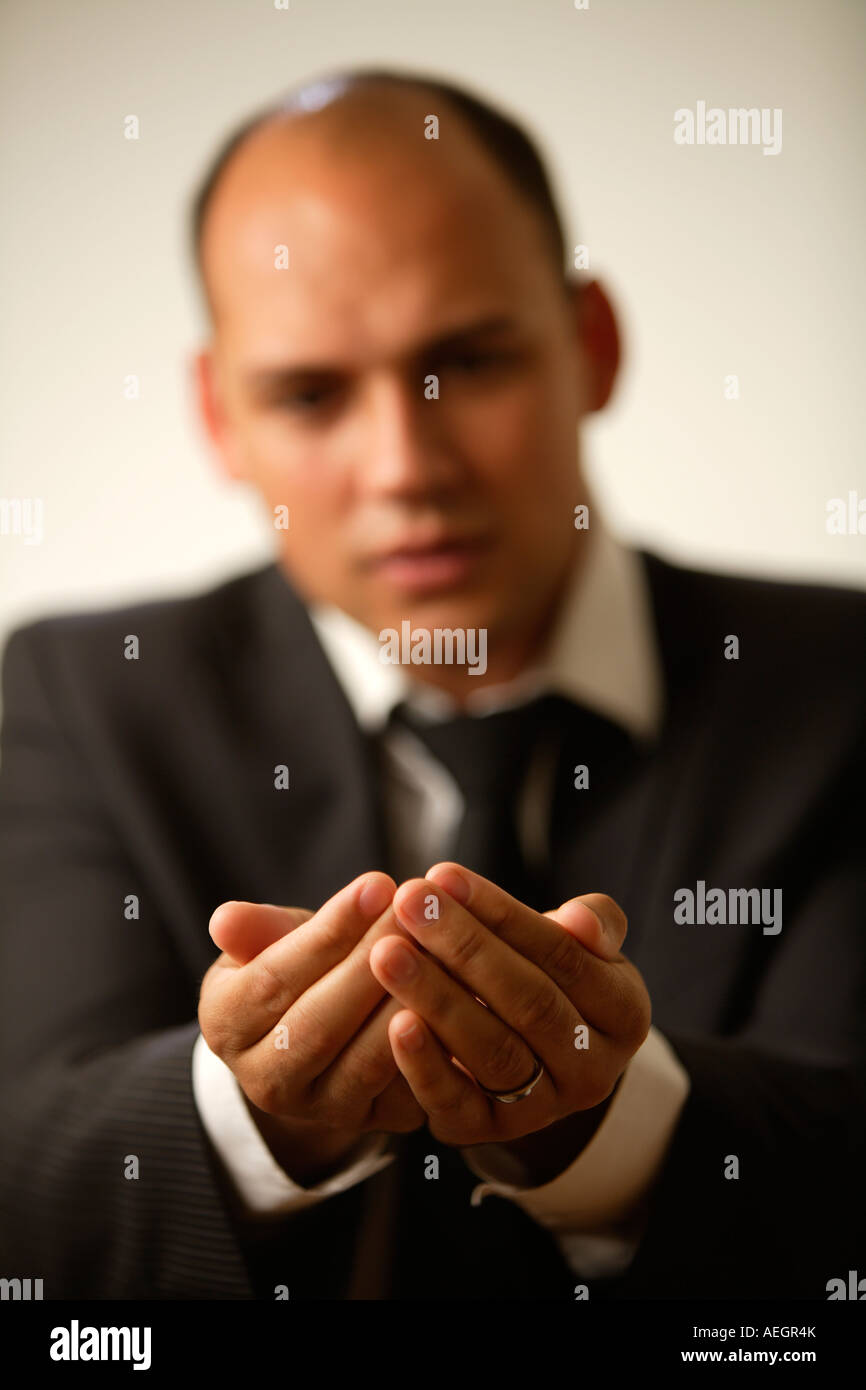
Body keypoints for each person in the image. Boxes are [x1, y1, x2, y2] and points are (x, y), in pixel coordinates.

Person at [1, 68, 864, 1302]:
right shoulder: (85, 694)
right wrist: (252, 1118)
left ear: (592, 346)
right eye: (308, 394)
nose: (404, 465)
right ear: (218, 419)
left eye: (464, 361)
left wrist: (599, 1133)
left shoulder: (836, 687)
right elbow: (26, 1168)